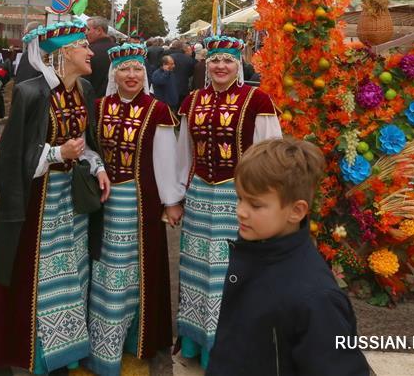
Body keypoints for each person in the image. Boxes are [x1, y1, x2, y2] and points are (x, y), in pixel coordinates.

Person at [0, 19, 111, 375]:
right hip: (38, 203)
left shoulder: (84, 89)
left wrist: (96, 166)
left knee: (71, 277)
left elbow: (85, 144)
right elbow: (12, 159)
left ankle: (60, 354)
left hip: (74, 204)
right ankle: (16, 354)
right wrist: (57, 154)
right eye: (83, 45)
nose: (90, 51)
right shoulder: (31, 92)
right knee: (29, 277)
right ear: (64, 52)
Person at [206, 138, 369, 376]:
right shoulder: (253, 251)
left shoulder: (316, 297)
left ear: (296, 211)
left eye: (256, 205)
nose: (240, 211)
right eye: (239, 198)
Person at [176, 34, 282, 369]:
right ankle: (194, 343)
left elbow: (271, 153)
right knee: (195, 272)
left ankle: (225, 347)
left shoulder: (257, 100)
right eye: (215, 60)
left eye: (228, 60)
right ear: (207, 64)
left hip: (238, 198)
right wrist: (176, 197)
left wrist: (267, 202)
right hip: (199, 196)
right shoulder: (192, 101)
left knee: (230, 273)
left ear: (239, 64)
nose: (221, 66)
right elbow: (184, 153)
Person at [86, 43, 186, 375]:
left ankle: (132, 339)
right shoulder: (98, 107)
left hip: (138, 203)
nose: (132, 75)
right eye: (125, 69)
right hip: (101, 205)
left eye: (138, 69)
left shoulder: (157, 110)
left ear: (146, 73)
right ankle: (100, 343)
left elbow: (166, 159)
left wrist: (171, 201)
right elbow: (89, 149)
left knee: (131, 274)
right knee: (101, 271)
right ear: (114, 73)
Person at [84, 16, 115, 97]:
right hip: (114, 104)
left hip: (92, 102)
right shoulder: (119, 51)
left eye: (88, 29)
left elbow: (83, 82)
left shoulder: (88, 52)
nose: (86, 33)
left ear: (99, 30)